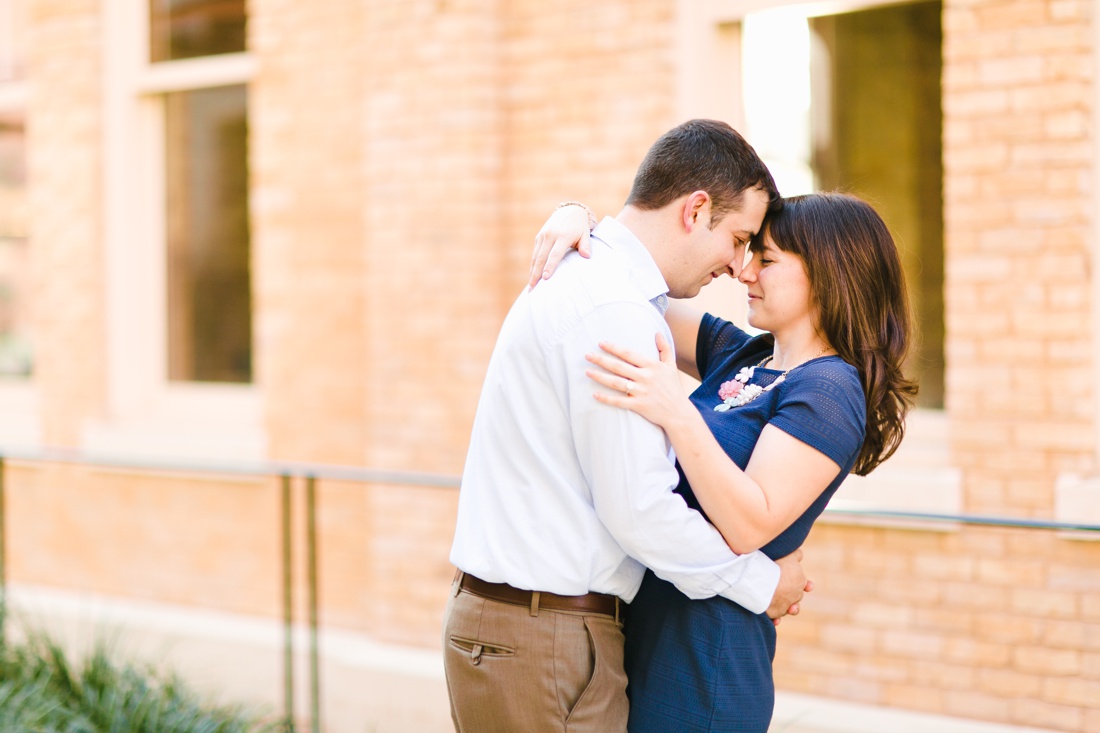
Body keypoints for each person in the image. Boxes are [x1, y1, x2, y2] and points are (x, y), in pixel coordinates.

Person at [444, 119, 812, 733]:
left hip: (533, 633)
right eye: (739, 237)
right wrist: (762, 585)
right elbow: (641, 509)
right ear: (696, 209)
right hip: (544, 640)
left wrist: (576, 210)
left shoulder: (605, 286)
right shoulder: (611, 310)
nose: (737, 265)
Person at [532, 191, 917, 731]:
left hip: (705, 665)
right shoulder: (746, 355)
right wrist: (581, 222)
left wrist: (677, 414)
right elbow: (635, 290)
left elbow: (749, 522)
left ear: (830, 274)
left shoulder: (830, 389)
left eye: (767, 259)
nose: (745, 271)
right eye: (747, 251)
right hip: (641, 637)